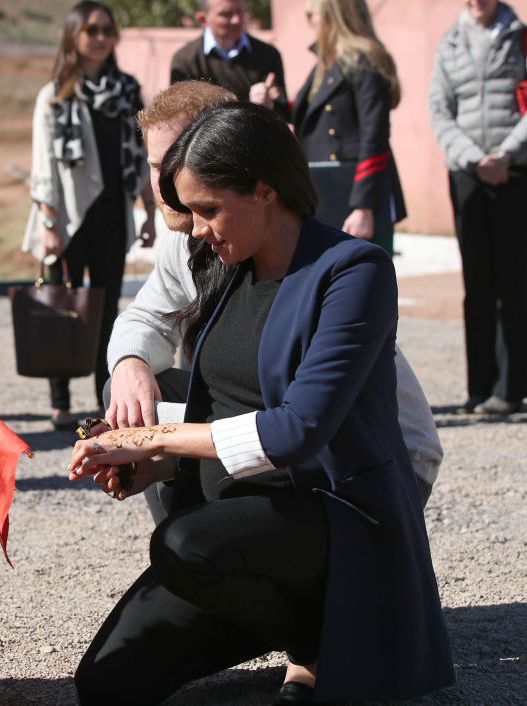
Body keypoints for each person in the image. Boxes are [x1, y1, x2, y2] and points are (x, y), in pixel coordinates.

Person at [69, 103, 454, 705]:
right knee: (105, 684)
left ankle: (321, 639)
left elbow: (297, 430)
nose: (196, 229)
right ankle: (304, 630)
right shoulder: (227, 265)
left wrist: (153, 440)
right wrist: (160, 464)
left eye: (208, 209)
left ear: (265, 189)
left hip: (338, 522)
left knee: (183, 544)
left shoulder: (354, 271)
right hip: (241, 530)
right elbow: (223, 403)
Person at [106, 81, 442, 525]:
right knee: (128, 396)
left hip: (361, 466)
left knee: (162, 432)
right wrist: (130, 365)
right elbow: (147, 314)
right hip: (277, 443)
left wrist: (159, 439)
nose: (165, 181)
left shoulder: (293, 254)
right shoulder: (196, 238)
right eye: (154, 165)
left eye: (176, 159)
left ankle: (210, 542)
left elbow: (298, 423)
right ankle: (188, 532)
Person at [22, 0, 156, 431]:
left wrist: (149, 211)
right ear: (73, 36)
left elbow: (142, 156)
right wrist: (48, 223)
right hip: (65, 219)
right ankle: (59, 401)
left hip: (112, 216)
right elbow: (43, 164)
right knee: (62, 308)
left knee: (106, 311)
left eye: (106, 30)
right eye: (91, 30)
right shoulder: (55, 93)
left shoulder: (128, 91)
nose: (100, 38)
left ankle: (106, 397)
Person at [429, 0, 527, 415]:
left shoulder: (520, 38)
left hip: (514, 170)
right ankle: (479, 387)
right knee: (477, 282)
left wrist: (506, 155)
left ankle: (510, 388)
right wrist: (472, 158)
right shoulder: (449, 42)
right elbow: (439, 109)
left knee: (515, 279)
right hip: (468, 172)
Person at [292, 0, 406, 255]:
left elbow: (374, 136)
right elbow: (313, 112)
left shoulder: (364, 62)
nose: (311, 22)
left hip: (356, 191)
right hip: (326, 188)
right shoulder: (330, 60)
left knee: (363, 280)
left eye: (314, 15)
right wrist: (274, 103)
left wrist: (363, 206)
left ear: (335, 17)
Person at [169, 0, 287, 115]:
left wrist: (270, 104)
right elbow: (179, 117)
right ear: (203, 19)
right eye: (225, 14)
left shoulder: (267, 55)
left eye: (239, 11)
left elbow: (284, 111)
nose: (236, 20)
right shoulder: (185, 61)